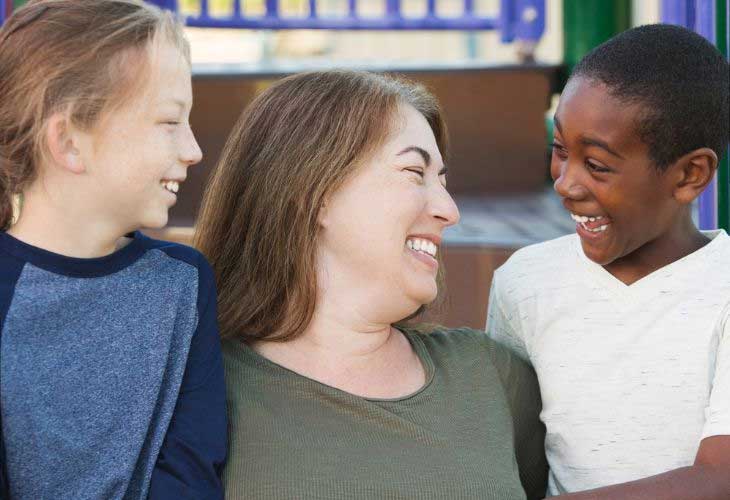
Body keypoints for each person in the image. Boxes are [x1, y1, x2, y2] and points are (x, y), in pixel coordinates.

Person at [194, 69, 548, 499]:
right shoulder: (199, 386)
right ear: (314, 192)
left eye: (442, 180)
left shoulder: (490, 376)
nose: (449, 209)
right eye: (414, 172)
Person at [487, 24, 730, 499]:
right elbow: (509, 450)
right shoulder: (525, 281)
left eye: (596, 165)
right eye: (560, 151)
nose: (566, 184)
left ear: (689, 174)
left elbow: (720, 479)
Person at [0, 1, 226, 498]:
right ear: (70, 142)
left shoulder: (184, 283)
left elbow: (192, 468)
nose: (193, 150)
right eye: (170, 122)